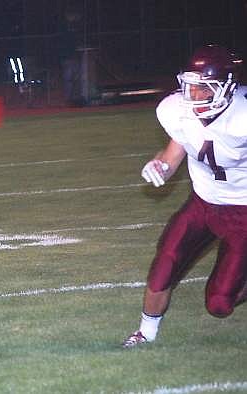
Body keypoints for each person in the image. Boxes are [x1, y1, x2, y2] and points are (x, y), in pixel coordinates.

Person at [122, 44, 247, 348]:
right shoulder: (177, 111)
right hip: (202, 203)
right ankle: (145, 334)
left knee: (219, 303)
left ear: (227, 88)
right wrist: (159, 166)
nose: (193, 96)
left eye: (203, 89)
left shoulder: (242, 118)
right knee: (164, 264)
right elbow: (172, 155)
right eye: (190, 87)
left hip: (243, 211)